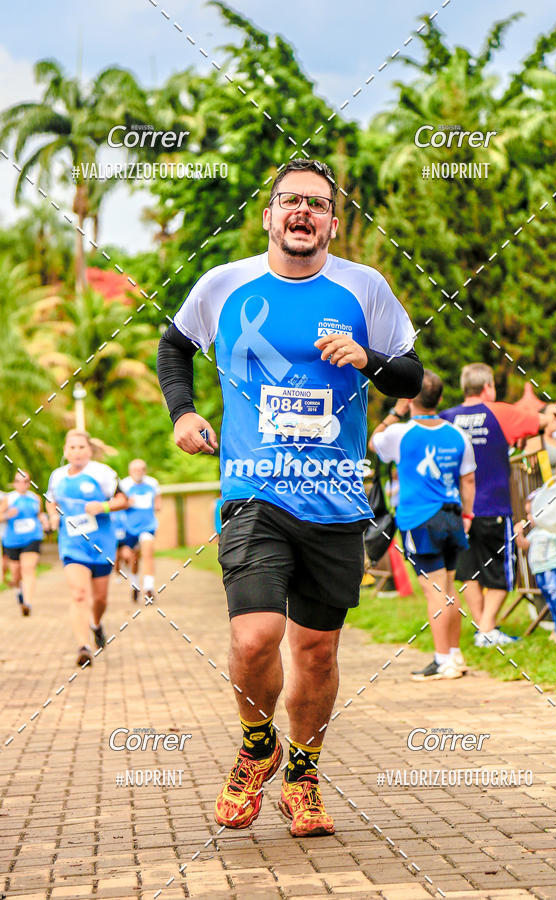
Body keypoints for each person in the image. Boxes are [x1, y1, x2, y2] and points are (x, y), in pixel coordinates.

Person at [157, 158, 423, 837]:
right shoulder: (227, 285)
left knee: (316, 654)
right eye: (289, 201)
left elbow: (415, 378)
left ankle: (302, 774)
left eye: (317, 203)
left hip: (335, 501)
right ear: (269, 215)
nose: (302, 211)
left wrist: (370, 359)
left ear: (334, 223)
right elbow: (174, 346)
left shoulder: (365, 288)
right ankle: (256, 747)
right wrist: (182, 414)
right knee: (254, 639)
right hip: (254, 494)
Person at [370, 370, 476, 680]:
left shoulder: (400, 433)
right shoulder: (458, 435)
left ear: (410, 399)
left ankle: (442, 660)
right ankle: (454, 654)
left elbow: (374, 442)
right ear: (441, 399)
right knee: (449, 588)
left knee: (434, 592)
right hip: (453, 515)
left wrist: (395, 412)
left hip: (420, 520)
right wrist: (468, 516)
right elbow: (468, 479)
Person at [440, 363, 553, 647]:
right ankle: (488, 628)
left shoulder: (446, 418)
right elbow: (542, 421)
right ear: (488, 387)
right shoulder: (500, 412)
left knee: (468, 572)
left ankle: (483, 630)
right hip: (493, 507)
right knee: (502, 573)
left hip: (457, 510)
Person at [46, 430, 128, 667]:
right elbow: (51, 500)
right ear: (65, 451)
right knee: (79, 593)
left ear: (89, 450)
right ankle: (83, 647)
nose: (77, 452)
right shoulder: (57, 476)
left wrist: (102, 506)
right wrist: (52, 517)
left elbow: (124, 500)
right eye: (72, 447)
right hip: (72, 545)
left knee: (100, 599)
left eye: (81, 447)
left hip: (101, 545)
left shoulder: (102, 473)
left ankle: (96, 624)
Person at [515, 492, 556, 643]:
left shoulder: (552, 530)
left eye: (532, 513)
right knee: (551, 602)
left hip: (554, 570)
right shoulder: (535, 533)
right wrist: (519, 534)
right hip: (540, 572)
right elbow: (524, 545)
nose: (529, 517)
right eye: (528, 514)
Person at [0, 471, 47, 616]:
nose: (22, 484)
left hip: (32, 537)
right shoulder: (9, 499)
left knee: (29, 568)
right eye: (19, 481)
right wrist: (8, 515)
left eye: (25, 481)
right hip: (12, 540)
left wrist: (44, 520)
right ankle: (19, 590)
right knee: (16, 573)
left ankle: (27, 603)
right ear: (14, 483)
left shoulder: (36, 498)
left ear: (29, 483)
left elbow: (39, 514)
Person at [119, 459, 161, 602]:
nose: (139, 472)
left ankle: (149, 588)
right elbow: (118, 505)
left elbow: (158, 502)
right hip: (130, 528)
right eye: (135, 469)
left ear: (145, 470)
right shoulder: (124, 485)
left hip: (148, 526)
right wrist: (127, 503)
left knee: (148, 554)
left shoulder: (152, 483)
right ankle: (135, 584)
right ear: (130, 471)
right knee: (133, 559)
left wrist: (156, 506)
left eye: (141, 469)